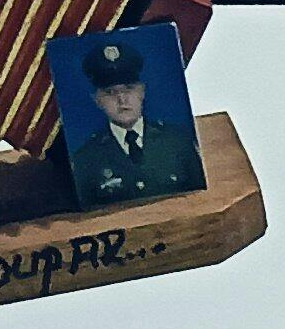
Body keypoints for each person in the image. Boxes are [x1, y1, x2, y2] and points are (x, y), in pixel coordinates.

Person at [63, 34, 201, 204]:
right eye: (110, 92)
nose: (122, 100)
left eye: (129, 88)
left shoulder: (177, 141)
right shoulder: (86, 159)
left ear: (142, 91)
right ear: (97, 99)